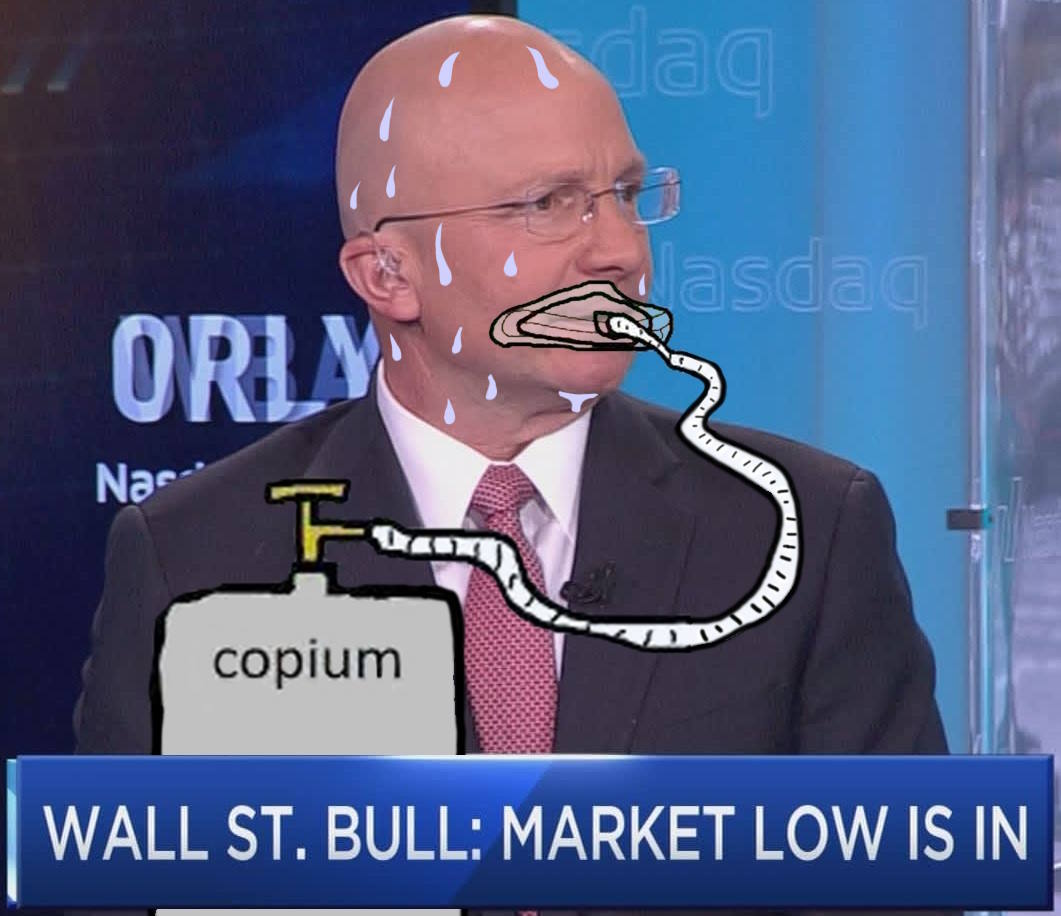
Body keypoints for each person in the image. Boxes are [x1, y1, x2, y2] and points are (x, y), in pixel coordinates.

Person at [74, 12, 949, 911]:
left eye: (626, 194)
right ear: (387, 275)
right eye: (547, 205)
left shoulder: (801, 530)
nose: (620, 251)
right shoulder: (198, 557)